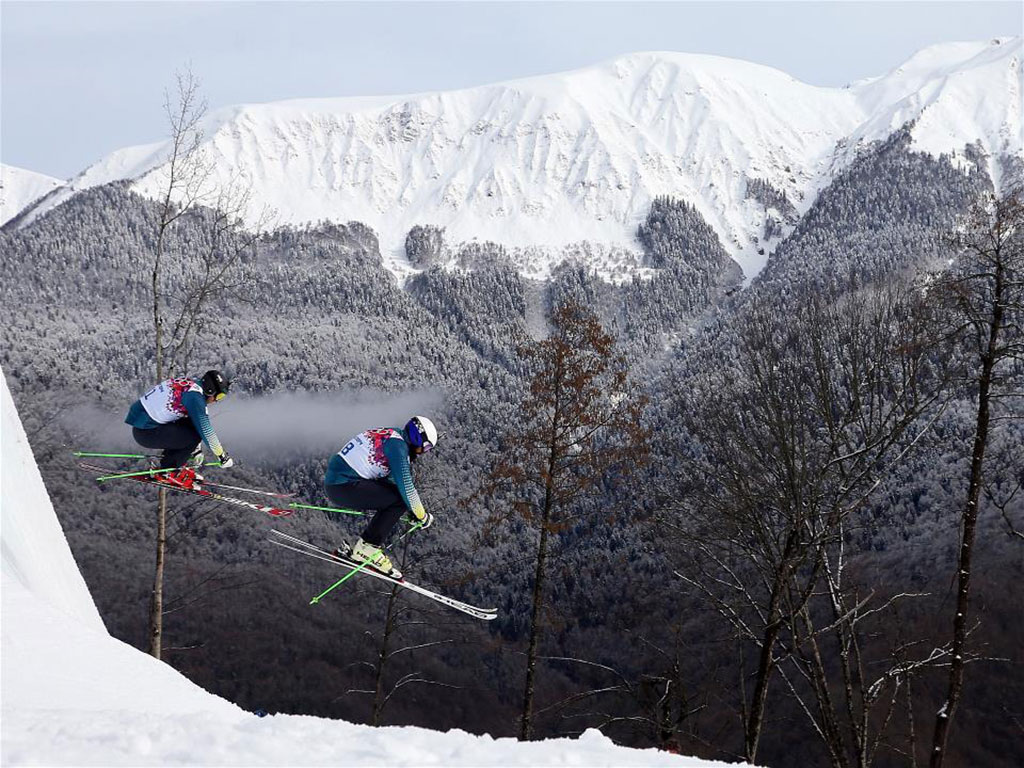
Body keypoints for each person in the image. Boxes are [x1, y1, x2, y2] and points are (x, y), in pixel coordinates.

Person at [324, 416, 440, 577]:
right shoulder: (398, 448)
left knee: (397, 498)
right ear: (417, 438)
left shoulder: (393, 435)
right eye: (425, 448)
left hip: (338, 482)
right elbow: (406, 488)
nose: (423, 453)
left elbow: (389, 480)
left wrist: (411, 510)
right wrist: (422, 516)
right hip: (344, 486)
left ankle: (366, 547)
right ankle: (367, 549)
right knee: (399, 501)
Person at [124, 370, 234, 489]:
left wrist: (195, 449)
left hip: (143, 424)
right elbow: (206, 431)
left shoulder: (190, 385)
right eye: (219, 396)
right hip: (146, 433)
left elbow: (192, 421)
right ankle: (169, 471)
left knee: (192, 428)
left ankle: (173, 464)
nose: (217, 400)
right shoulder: (195, 398)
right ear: (210, 390)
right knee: (195, 435)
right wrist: (222, 456)